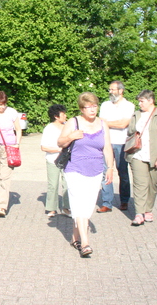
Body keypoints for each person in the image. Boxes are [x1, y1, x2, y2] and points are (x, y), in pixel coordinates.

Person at [58, 92, 115, 257]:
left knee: (89, 204)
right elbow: (60, 142)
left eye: (94, 106)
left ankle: (74, 238)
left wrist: (110, 168)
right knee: (78, 203)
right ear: (81, 109)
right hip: (75, 168)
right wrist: (71, 136)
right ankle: (85, 242)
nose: (92, 109)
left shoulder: (103, 124)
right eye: (88, 107)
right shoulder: (73, 122)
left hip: (96, 169)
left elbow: (107, 147)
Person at [126, 89, 157, 226]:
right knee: (140, 184)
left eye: (142, 101)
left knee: (153, 184)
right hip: (138, 155)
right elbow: (130, 132)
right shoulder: (136, 115)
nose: (139, 104)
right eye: (139, 101)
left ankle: (148, 210)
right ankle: (139, 213)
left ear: (150, 100)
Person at [97, 81, 136, 212]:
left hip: (122, 142)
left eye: (113, 89)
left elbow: (124, 124)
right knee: (105, 171)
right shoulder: (105, 105)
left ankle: (124, 200)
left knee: (123, 172)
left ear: (121, 91)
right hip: (106, 142)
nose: (110, 92)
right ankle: (107, 203)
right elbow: (101, 123)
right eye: (109, 89)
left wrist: (108, 122)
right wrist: (113, 123)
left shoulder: (129, 106)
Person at [40, 104, 71, 218]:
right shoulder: (49, 128)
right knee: (53, 184)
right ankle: (51, 208)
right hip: (52, 159)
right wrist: (58, 150)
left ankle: (66, 207)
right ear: (56, 116)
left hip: (67, 159)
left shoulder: (68, 126)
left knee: (67, 184)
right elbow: (43, 147)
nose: (65, 116)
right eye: (63, 114)